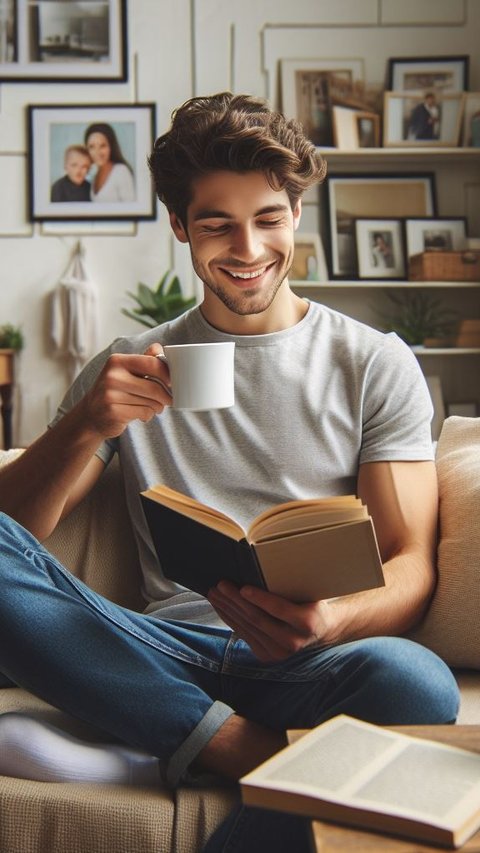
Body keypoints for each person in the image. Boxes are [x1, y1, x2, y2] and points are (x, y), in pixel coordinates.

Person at [0, 92, 459, 853]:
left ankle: (156, 747)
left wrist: (331, 622)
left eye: (269, 218)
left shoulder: (372, 362)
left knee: (419, 683)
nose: (247, 248)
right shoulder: (131, 362)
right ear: (179, 226)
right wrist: (87, 423)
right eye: (216, 223)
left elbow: (410, 564)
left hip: (311, 658)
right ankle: (237, 749)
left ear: (297, 213)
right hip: (157, 649)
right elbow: (15, 532)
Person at [84, 122, 135, 202]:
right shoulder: (93, 175)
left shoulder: (121, 171)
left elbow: (132, 209)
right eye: (92, 147)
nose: (97, 152)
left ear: (111, 147)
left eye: (102, 146)